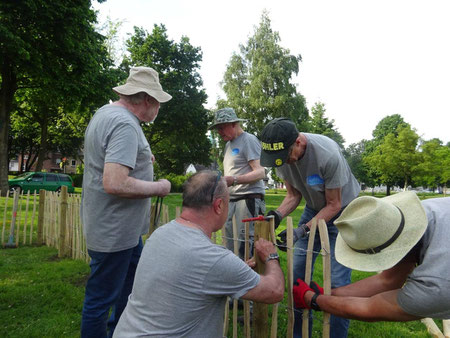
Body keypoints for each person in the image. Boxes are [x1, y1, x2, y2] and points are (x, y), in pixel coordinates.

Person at [113, 170, 285, 337]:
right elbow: (275, 291)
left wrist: (234, 273)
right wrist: (271, 255)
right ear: (219, 205)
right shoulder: (213, 259)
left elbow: (191, 277)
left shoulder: (160, 234)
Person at [80, 67, 172, 338]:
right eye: (157, 103)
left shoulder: (105, 114)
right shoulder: (125, 124)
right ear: (146, 100)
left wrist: (143, 158)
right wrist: (160, 187)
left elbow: (107, 159)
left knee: (130, 289)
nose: (158, 109)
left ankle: (120, 333)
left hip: (121, 231)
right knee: (100, 298)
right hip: (115, 233)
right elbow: (115, 182)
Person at [260, 117, 360, 338]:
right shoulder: (281, 160)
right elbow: (293, 196)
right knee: (297, 275)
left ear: (298, 142)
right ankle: (299, 334)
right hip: (314, 211)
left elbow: (334, 205)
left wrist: (301, 231)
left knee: (337, 283)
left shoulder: (328, 155)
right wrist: (277, 215)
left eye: (285, 156)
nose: (283, 162)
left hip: (345, 214)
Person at [293, 191, 450, 322]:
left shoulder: (437, 285)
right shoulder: (422, 214)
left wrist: (313, 300)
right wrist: (330, 294)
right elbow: (387, 281)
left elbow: (371, 308)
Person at [209, 108, 266, 259]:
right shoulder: (229, 145)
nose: (219, 132)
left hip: (248, 200)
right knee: (231, 245)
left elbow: (261, 172)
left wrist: (234, 180)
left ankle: (251, 280)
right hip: (232, 199)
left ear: (234, 124)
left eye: (222, 127)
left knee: (245, 246)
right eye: (217, 128)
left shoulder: (249, 140)